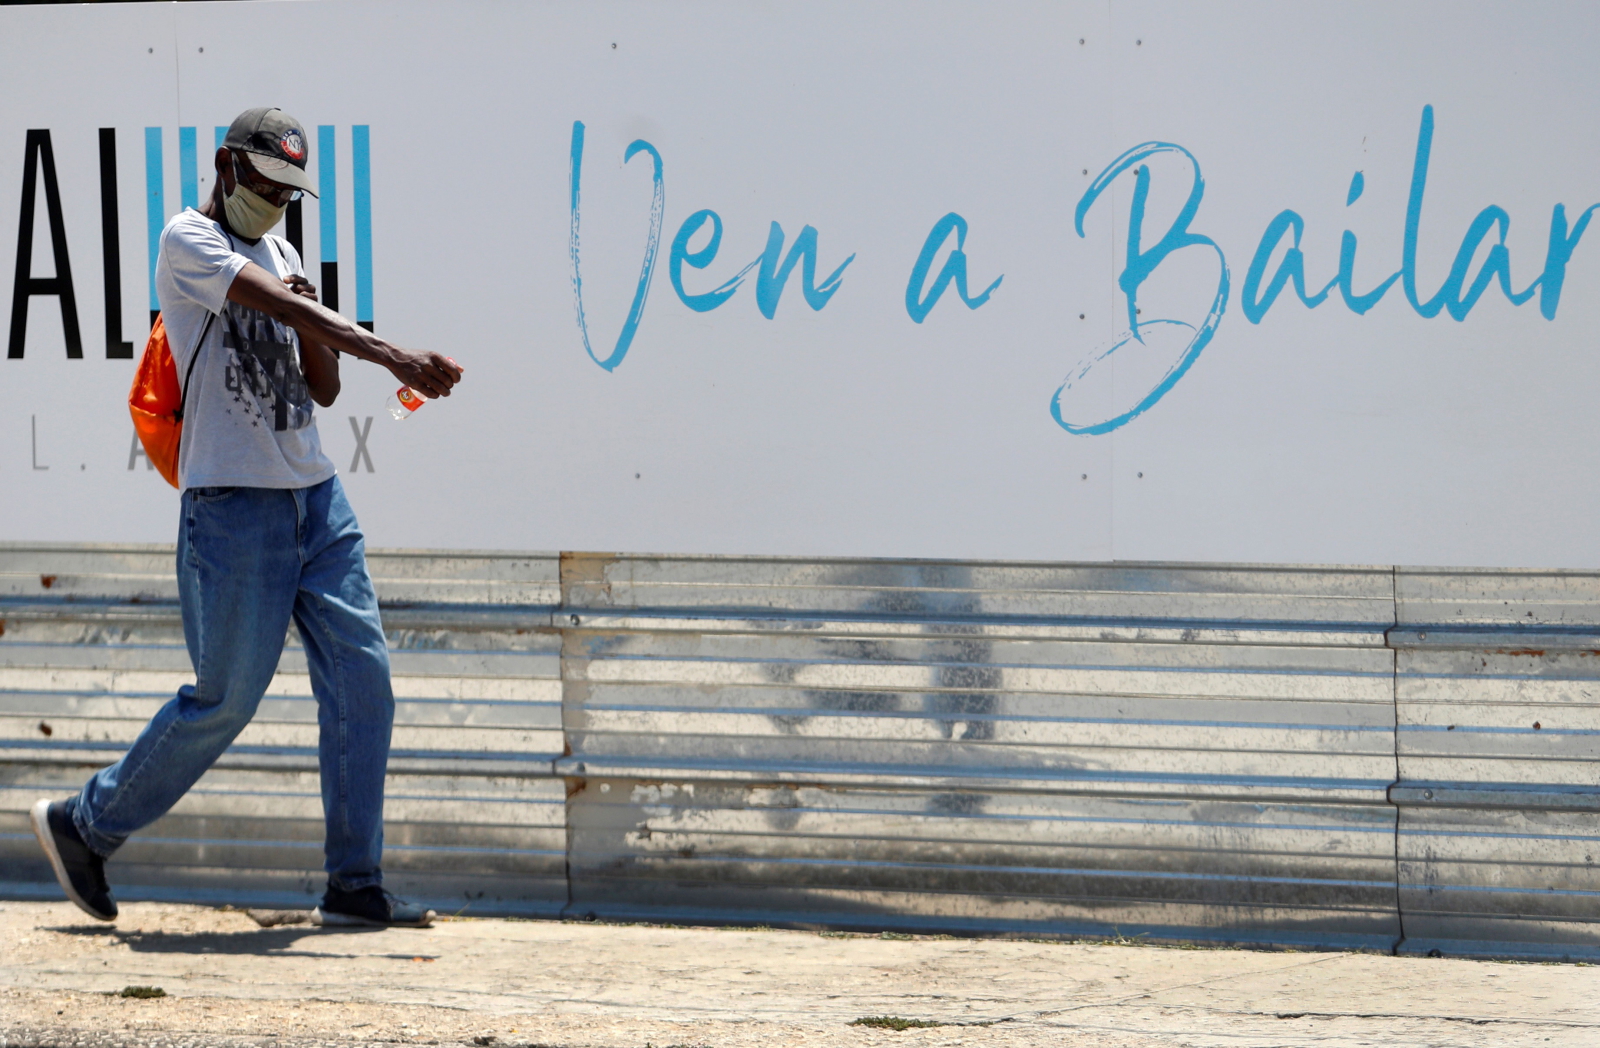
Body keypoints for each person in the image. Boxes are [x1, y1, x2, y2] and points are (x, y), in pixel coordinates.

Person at [30, 107, 461, 928]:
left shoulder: (283, 247)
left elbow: (322, 389)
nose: (276, 203)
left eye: (290, 193)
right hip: (233, 510)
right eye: (265, 184)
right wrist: (394, 354)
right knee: (224, 700)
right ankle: (84, 824)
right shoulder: (187, 241)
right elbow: (272, 304)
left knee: (364, 683)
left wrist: (315, 320)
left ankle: (354, 886)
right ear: (227, 167)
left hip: (317, 500)